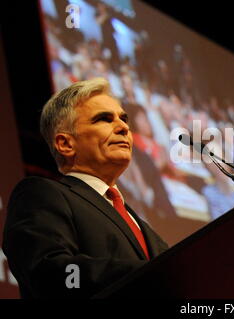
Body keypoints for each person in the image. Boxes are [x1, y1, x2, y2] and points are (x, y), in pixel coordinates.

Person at [2, 78, 168, 298]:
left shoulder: (144, 228)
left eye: (123, 118)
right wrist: (146, 275)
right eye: (104, 119)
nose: (123, 127)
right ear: (65, 144)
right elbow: (48, 273)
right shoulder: (42, 194)